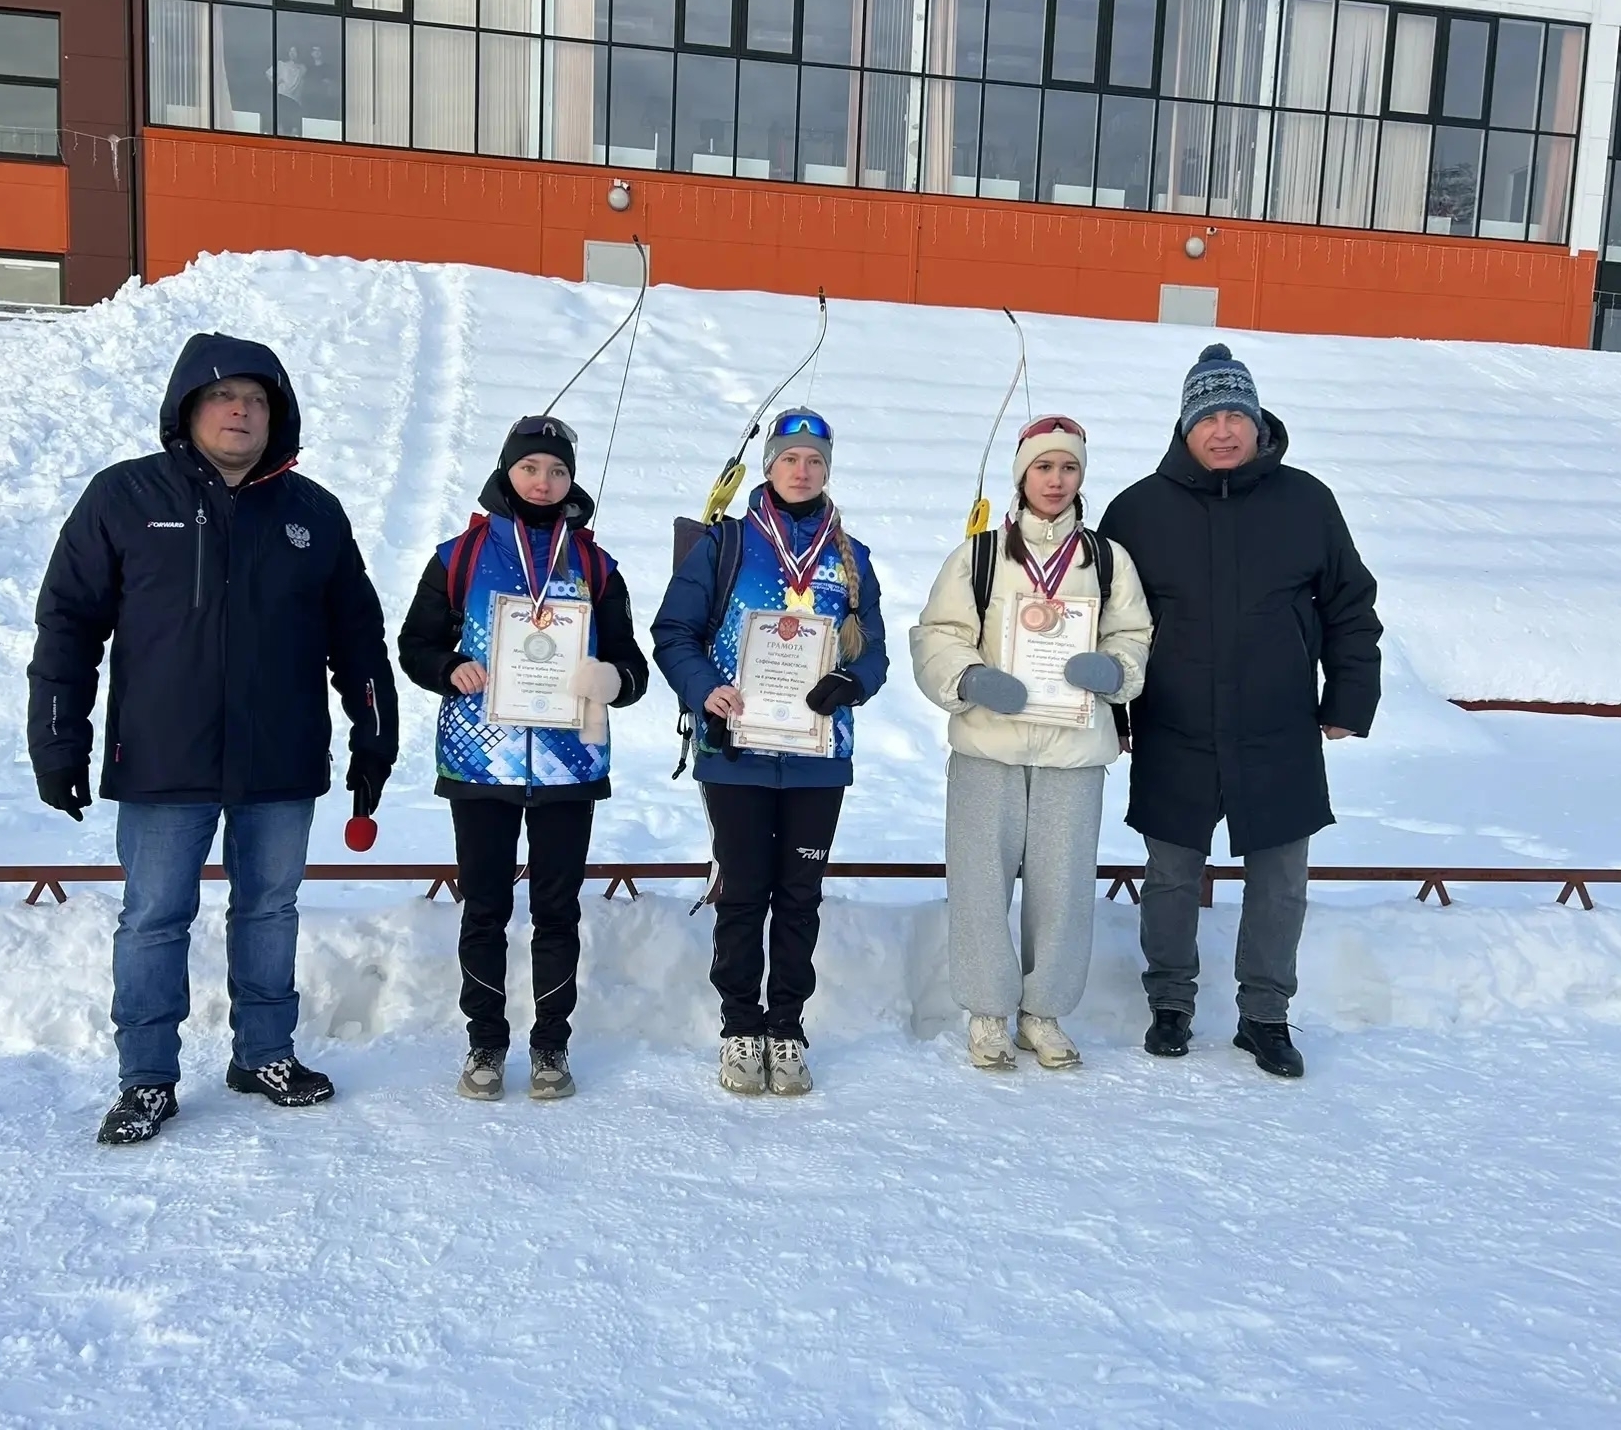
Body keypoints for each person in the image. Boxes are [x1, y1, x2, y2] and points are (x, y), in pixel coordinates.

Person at [27, 333, 400, 1145]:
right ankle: (147, 1078)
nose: (242, 410)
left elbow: (359, 639)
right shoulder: (123, 497)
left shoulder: (314, 513)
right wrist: (57, 737)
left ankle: (264, 1053)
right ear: (189, 407)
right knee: (155, 915)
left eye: (258, 399)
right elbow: (68, 625)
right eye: (225, 395)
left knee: (270, 910)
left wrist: (374, 735)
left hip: (281, 755)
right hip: (164, 756)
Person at [1100, 345, 1381, 1079]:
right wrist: (1117, 714)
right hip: (1174, 724)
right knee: (1169, 875)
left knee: (1281, 876)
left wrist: (1348, 697)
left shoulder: (1307, 501)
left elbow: (1351, 606)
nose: (1224, 430)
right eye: (1209, 417)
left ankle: (1264, 1015)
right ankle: (1170, 1006)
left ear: (1258, 424)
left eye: (1236, 415)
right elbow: (1104, 625)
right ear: (1184, 427)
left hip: (1278, 724)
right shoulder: (1135, 510)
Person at [397, 416, 649, 1102]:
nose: (544, 482)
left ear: (572, 481)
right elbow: (414, 644)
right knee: (484, 907)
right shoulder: (461, 556)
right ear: (507, 472)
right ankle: (484, 1042)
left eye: (558, 471)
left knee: (557, 908)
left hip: (569, 766)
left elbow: (633, 664)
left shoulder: (597, 565)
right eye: (531, 467)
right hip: (481, 764)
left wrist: (613, 681)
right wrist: (449, 667)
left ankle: (550, 1046)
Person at [653, 410, 888, 1097]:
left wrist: (853, 681)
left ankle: (786, 1025)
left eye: (815, 460)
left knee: (800, 895)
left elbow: (872, 646)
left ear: (827, 469)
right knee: (745, 892)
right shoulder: (725, 545)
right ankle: (738, 1026)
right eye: (790, 458)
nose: (802, 470)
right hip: (737, 751)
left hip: (818, 754)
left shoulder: (852, 555)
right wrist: (707, 690)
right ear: (770, 466)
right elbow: (674, 631)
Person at [911, 416, 1152, 1071]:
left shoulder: (1105, 558)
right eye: (1044, 467)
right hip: (990, 746)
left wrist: (1116, 671)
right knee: (981, 884)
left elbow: (1133, 635)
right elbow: (938, 633)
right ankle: (988, 1013)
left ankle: (1041, 1013)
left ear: (1081, 478)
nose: (1056, 480)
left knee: (1065, 888)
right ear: (1022, 474)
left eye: (1068, 468)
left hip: (1072, 751)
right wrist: (972, 678)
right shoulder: (982, 554)